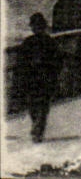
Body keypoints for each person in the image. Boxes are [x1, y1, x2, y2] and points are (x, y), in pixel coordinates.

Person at [16, 12, 64, 142]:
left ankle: (37, 129)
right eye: (35, 26)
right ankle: (37, 128)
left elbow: (20, 63)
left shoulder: (35, 43)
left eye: (38, 26)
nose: (36, 28)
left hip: (38, 79)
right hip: (39, 79)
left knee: (38, 106)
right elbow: (58, 61)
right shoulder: (39, 42)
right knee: (39, 106)